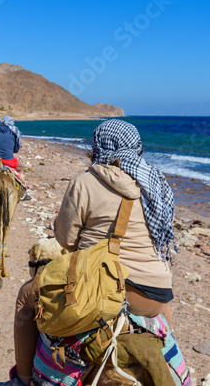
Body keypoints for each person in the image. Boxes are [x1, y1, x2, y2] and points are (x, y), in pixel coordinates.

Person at [12, 119, 177, 386]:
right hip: (157, 294)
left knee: (25, 296)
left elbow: (65, 239)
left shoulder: (86, 181)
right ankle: (174, 366)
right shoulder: (155, 184)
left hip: (107, 289)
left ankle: (21, 378)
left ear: (98, 147)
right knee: (165, 326)